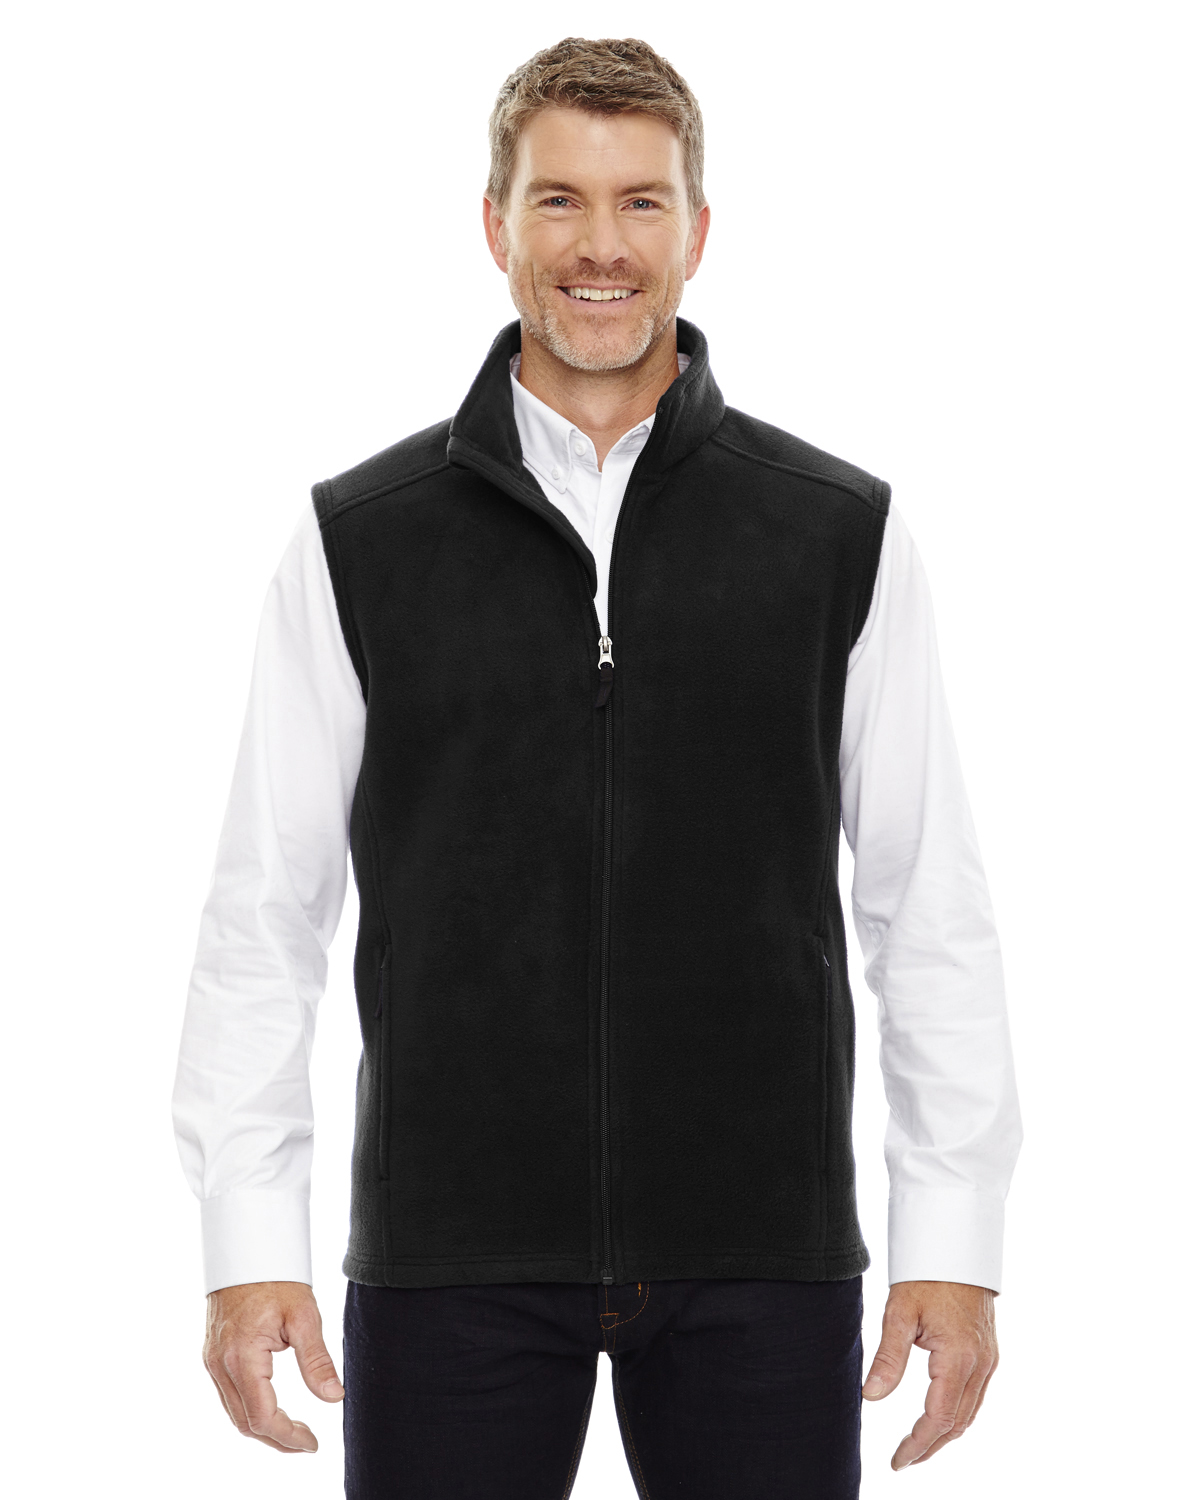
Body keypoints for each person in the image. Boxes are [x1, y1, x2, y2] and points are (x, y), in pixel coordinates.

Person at [173, 35, 1022, 1499]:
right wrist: (248, 1243)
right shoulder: (361, 540)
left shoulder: (835, 533)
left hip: (762, 1254)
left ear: (698, 230)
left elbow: (925, 904)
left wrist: (954, 1240)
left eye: (642, 202)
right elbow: (264, 913)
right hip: (451, 1259)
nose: (601, 247)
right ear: (495, 225)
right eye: (558, 200)